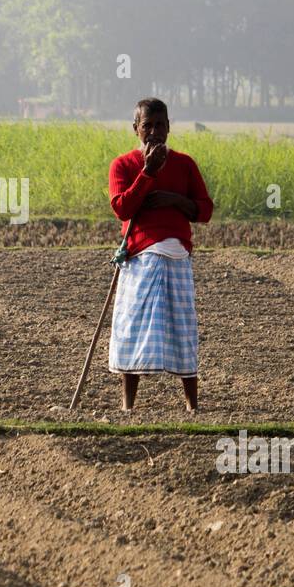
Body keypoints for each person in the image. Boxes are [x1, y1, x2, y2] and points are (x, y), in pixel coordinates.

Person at [107, 98, 214, 413]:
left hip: (176, 256)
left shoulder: (184, 164)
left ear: (169, 127)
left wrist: (174, 200)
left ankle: (192, 406)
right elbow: (122, 207)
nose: (154, 131)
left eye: (160, 125)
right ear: (136, 128)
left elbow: (204, 210)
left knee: (182, 329)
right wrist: (148, 173)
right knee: (132, 327)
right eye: (147, 125)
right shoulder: (124, 165)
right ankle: (128, 406)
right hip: (140, 257)